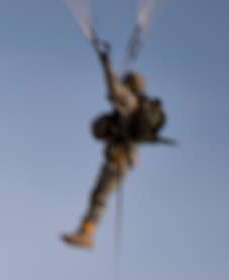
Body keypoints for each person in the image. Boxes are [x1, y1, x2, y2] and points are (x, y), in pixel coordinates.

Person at [62, 38, 160, 249]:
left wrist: (105, 62)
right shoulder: (133, 106)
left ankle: (87, 234)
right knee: (99, 194)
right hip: (122, 158)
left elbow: (113, 89)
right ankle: (86, 231)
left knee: (100, 195)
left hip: (119, 159)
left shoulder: (129, 102)